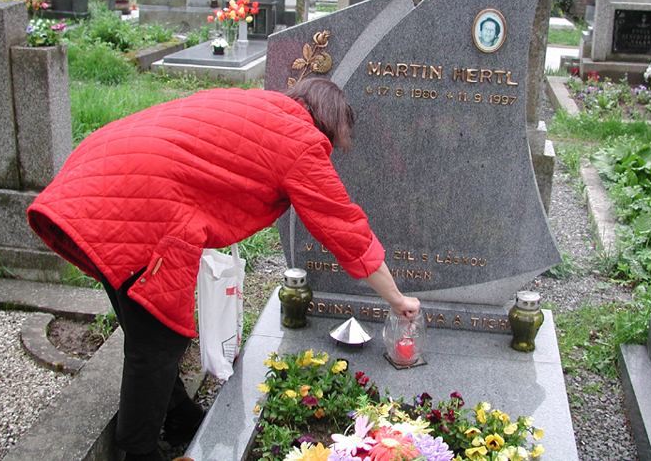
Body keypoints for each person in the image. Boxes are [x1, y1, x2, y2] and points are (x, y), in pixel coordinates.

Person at [27, 78, 421, 461]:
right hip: (140, 202)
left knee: (147, 327)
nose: (330, 150)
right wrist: (397, 298)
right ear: (329, 124)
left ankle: (180, 418)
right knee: (158, 341)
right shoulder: (300, 142)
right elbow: (346, 231)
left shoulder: (256, 104)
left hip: (96, 171)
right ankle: (140, 450)